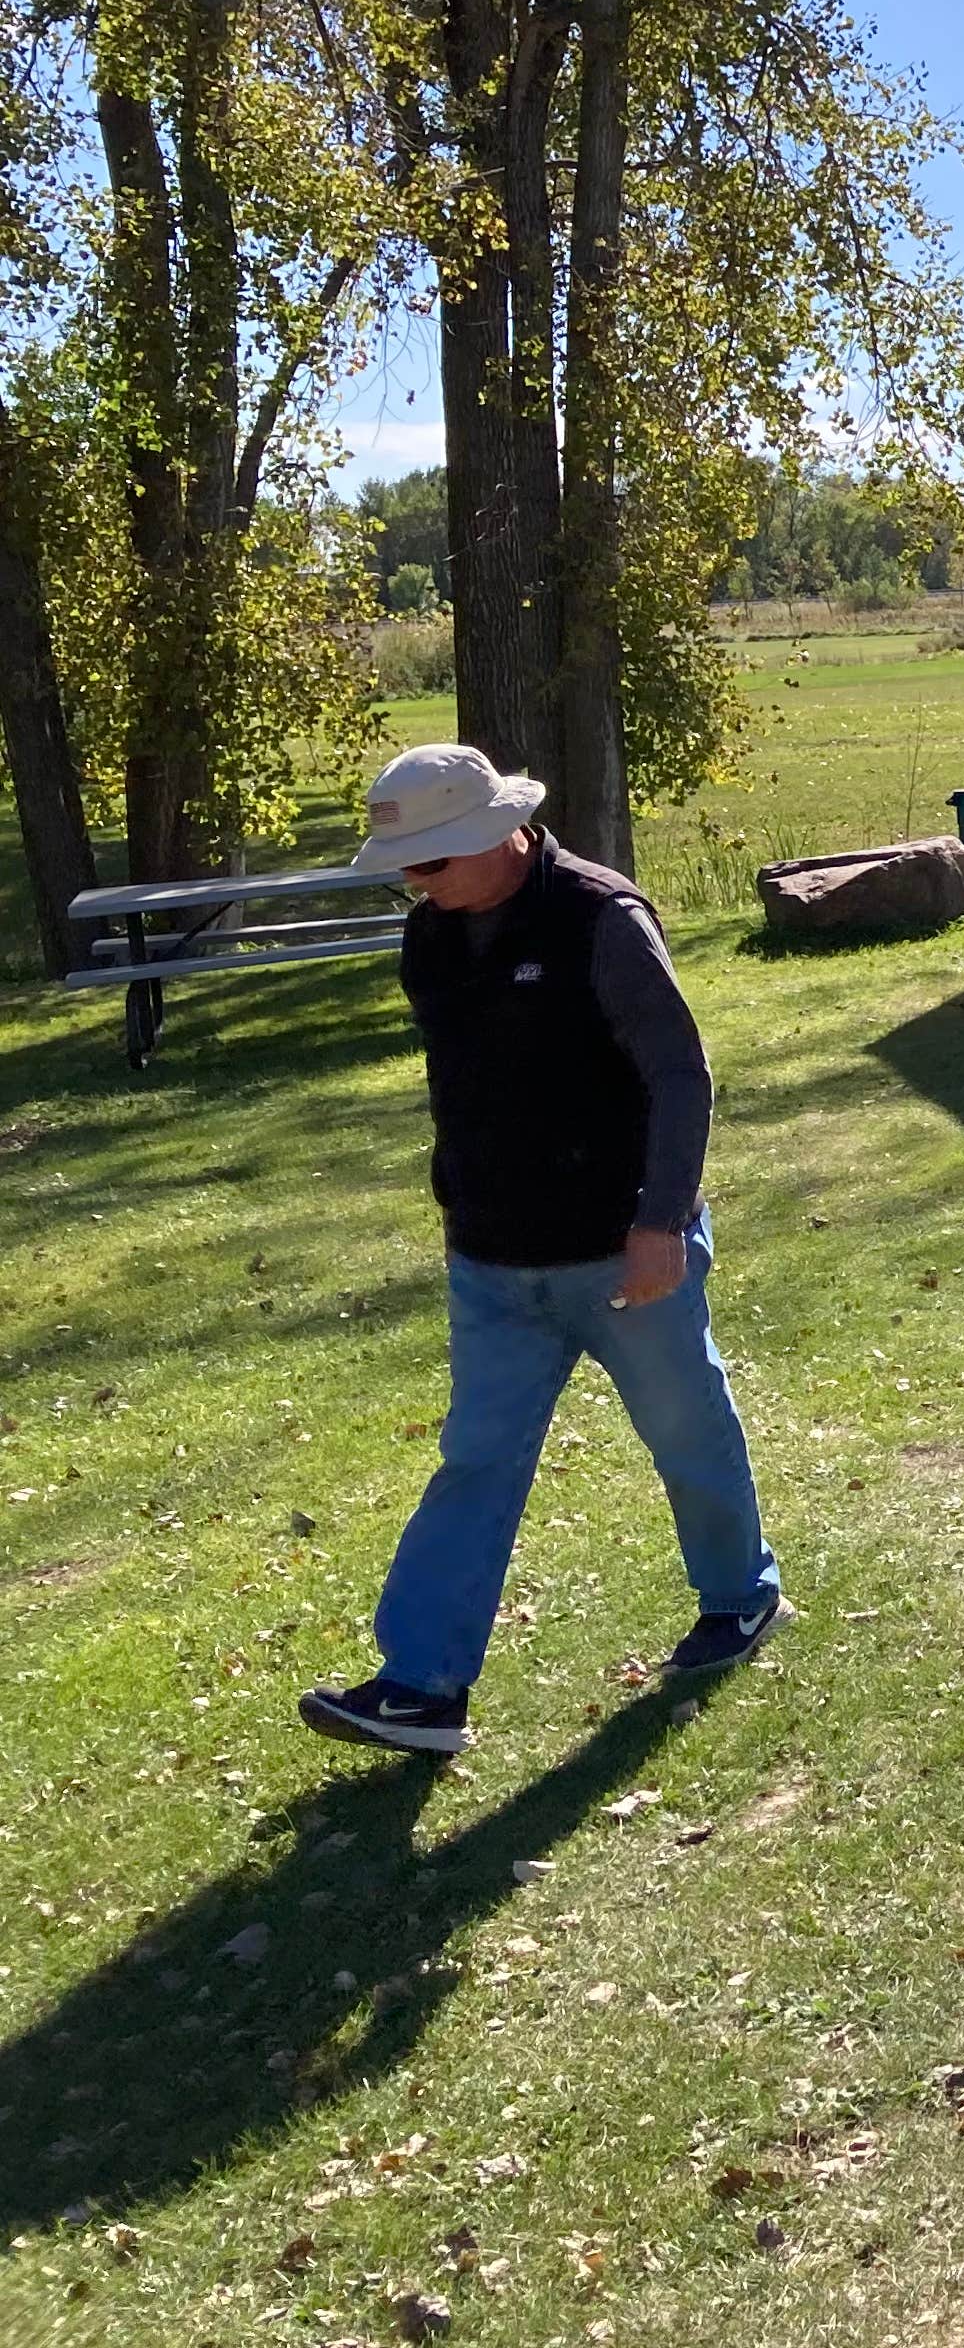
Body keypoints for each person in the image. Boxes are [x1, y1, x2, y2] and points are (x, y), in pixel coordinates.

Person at [299, 744, 784, 1756]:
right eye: (405, 867)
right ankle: (422, 1688)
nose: (416, 882)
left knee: (686, 1432)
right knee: (475, 1462)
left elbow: (680, 1074)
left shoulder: (600, 918)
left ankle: (741, 1598)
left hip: (622, 1253)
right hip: (491, 1261)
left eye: (432, 862)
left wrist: (660, 1222)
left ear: (499, 833)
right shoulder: (429, 936)